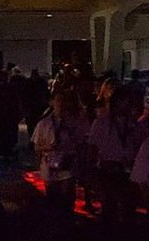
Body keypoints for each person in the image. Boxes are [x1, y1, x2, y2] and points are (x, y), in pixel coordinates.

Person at [87, 84, 147, 223]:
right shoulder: (102, 123)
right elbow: (92, 149)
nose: (130, 105)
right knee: (110, 208)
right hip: (109, 171)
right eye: (127, 101)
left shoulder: (132, 124)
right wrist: (91, 174)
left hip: (128, 171)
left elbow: (138, 145)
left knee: (128, 208)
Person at [32, 90, 88, 219]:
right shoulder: (44, 123)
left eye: (64, 101)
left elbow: (82, 143)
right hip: (50, 165)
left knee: (67, 196)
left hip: (68, 164)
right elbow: (36, 147)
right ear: (52, 102)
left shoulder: (76, 122)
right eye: (58, 100)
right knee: (52, 197)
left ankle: (67, 222)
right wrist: (48, 147)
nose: (61, 104)